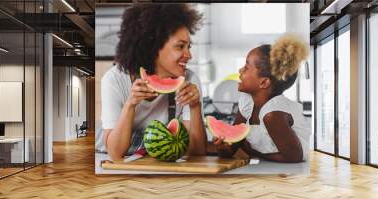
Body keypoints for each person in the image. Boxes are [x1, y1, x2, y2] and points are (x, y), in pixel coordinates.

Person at [100, 4, 207, 160]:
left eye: (189, 47)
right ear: (153, 46)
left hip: (164, 169)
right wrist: (130, 104)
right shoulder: (114, 80)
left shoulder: (189, 81)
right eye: (180, 47)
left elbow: (197, 151)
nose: (189, 55)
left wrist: (195, 106)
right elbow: (115, 153)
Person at [213, 34, 310, 163]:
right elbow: (233, 146)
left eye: (247, 67)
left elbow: (293, 156)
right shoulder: (247, 103)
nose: (240, 70)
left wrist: (253, 153)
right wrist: (223, 147)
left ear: (263, 83)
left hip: (292, 176)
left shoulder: (273, 114)